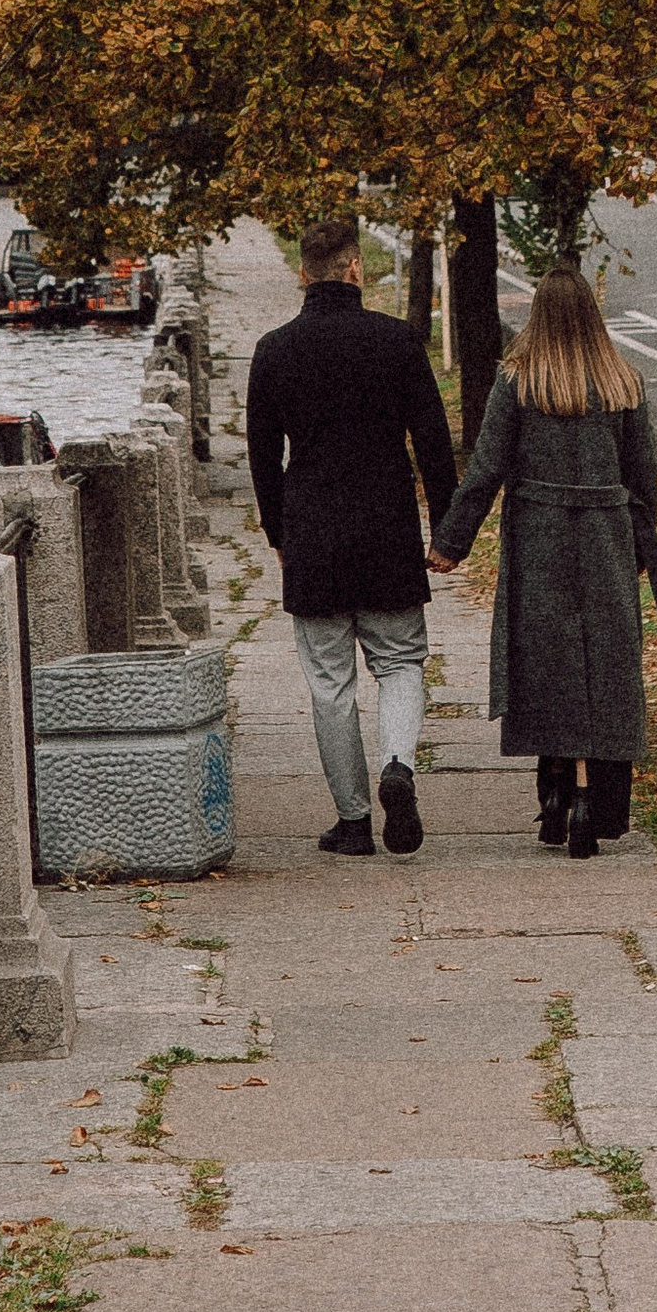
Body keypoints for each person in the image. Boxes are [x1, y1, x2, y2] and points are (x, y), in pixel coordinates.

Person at [427, 264, 657, 859]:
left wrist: (451, 542)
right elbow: (642, 481)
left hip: (538, 539)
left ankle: (555, 793)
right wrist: (638, 545)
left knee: (548, 664)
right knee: (599, 669)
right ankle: (591, 800)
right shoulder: (623, 383)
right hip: (605, 538)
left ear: (537, 315)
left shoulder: (518, 382)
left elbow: (484, 471)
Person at [246, 212, 458, 856]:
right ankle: (399, 762)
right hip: (386, 526)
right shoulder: (398, 342)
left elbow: (261, 456)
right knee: (400, 662)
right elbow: (433, 443)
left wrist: (279, 532)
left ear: (303, 274)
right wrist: (447, 529)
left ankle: (354, 820)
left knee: (329, 682)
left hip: (313, 532)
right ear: (356, 268)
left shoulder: (274, 351)